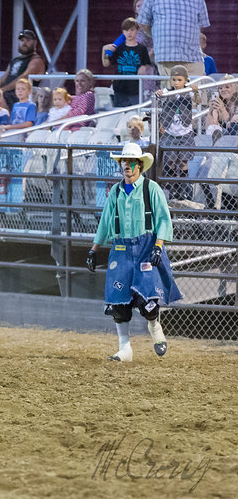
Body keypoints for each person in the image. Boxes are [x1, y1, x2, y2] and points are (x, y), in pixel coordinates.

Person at [87, 143, 181, 362]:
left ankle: (154, 326)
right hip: (121, 248)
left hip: (146, 247)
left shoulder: (151, 189)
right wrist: (94, 249)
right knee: (118, 302)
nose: (126, 166)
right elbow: (106, 221)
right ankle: (125, 348)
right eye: (123, 162)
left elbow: (163, 219)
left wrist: (158, 245)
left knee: (147, 300)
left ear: (139, 165)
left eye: (130, 162)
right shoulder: (116, 191)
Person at [137, 0, 210, 79]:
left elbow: (201, 25)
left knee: (197, 90)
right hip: (166, 57)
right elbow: (143, 22)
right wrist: (157, 34)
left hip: (192, 56)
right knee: (169, 91)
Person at [155, 65, 199, 203]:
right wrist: (159, 93)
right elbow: (158, 99)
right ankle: (172, 189)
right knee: (171, 161)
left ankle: (183, 189)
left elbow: (198, 101)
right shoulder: (167, 92)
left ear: (185, 80)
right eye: (174, 79)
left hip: (185, 131)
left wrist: (196, 92)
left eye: (179, 80)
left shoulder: (188, 91)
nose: (176, 83)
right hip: (170, 131)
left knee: (183, 161)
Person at [102, 18, 151, 108]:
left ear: (137, 31)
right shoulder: (119, 48)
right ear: (123, 32)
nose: (129, 33)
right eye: (126, 30)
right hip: (120, 88)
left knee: (136, 113)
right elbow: (106, 63)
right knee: (119, 113)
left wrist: (144, 67)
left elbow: (147, 64)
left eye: (132, 30)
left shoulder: (142, 49)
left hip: (135, 89)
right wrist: (104, 50)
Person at [0, 29, 46, 110]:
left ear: (35, 43)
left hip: (22, 94)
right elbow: (3, 79)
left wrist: (2, 90)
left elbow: (23, 78)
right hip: (8, 93)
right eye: (22, 40)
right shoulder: (15, 60)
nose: (24, 43)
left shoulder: (36, 60)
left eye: (28, 40)